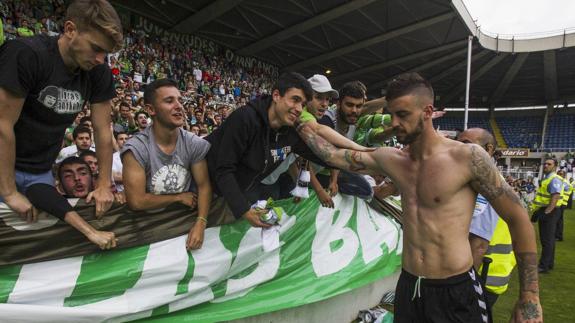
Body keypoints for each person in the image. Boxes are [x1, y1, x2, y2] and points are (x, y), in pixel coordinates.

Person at [297, 72, 541, 322]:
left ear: (427, 112)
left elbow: (517, 217)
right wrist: (299, 121)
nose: (394, 123)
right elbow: (333, 157)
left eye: (402, 115)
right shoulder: (392, 159)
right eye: (392, 114)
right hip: (410, 287)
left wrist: (530, 296)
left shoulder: (468, 158)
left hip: (454, 289)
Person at [0, 0, 123, 222]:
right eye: (96, 48)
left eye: (106, 53)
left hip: (41, 172)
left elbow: (103, 130)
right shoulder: (27, 54)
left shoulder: (98, 71)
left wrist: (104, 184)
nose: (100, 59)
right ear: (70, 30)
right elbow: (2, 125)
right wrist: (8, 191)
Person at [206, 72, 368, 228]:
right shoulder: (245, 119)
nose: (299, 109)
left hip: (234, 191)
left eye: (303, 104)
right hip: (202, 187)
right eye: (295, 100)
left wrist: (368, 161)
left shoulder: (290, 130)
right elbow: (223, 169)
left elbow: (327, 156)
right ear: (276, 95)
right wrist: (244, 210)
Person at [122, 79, 212, 250]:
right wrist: (178, 197)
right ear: (150, 109)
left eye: (179, 100)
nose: (179, 106)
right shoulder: (136, 148)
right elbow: (137, 201)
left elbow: (204, 185)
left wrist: (201, 222)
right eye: (169, 101)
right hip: (146, 226)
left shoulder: (193, 143)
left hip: (183, 220)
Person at [457, 128, 516, 312]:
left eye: (466, 144)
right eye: (458, 143)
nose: (459, 148)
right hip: (487, 274)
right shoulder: (480, 178)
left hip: (481, 276)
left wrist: (462, 287)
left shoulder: (488, 182)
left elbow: (479, 243)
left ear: (489, 149)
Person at [530, 158, 562, 274]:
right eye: (545, 163)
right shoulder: (548, 178)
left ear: (555, 166)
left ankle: (543, 266)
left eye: (549, 164)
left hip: (550, 211)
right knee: (549, 240)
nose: (546, 165)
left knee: (546, 240)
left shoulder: (554, 179)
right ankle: (549, 263)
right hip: (546, 210)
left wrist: (547, 212)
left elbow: (555, 197)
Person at [555, 169, 572, 241]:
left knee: (558, 220)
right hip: (561, 203)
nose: (559, 175)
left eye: (560, 174)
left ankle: (558, 236)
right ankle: (558, 235)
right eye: (558, 173)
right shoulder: (565, 182)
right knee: (558, 220)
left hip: (561, 203)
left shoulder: (562, 182)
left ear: (564, 175)